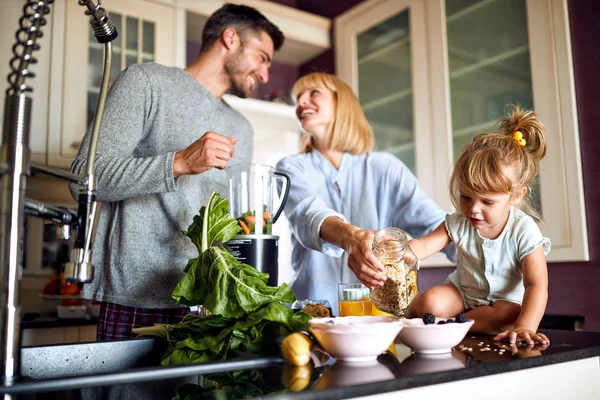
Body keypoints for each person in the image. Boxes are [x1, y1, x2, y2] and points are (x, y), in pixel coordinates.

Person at [70, 4, 284, 341]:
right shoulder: (145, 82)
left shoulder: (241, 127)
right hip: (137, 297)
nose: (265, 74)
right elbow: (85, 176)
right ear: (230, 39)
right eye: (262, 57)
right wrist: (180, 162)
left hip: (209, 303)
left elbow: (232, 226)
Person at [275, 72, 455, 316]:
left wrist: (497, 254)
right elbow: (308, 214)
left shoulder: (385, 168)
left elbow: (441, 226)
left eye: (313, 92)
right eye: (298, 98)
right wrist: (352, 238)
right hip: (310, 314)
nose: (301, 103)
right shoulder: (291, 168)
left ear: (343, 103)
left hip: (375, 319)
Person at [405, 105, 551, 345]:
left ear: (515, 196)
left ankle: (449, 324)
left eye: (487, 202)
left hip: (504, 303)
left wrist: (525, 327)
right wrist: (401, 252)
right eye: (466, 197)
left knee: (508, 316)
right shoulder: (458, 222)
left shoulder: (524, 231)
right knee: (429, 302)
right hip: (462, 294)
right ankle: (419, 322)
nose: (473, 209)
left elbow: (536, 284)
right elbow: (423, 246)